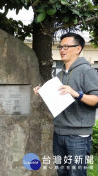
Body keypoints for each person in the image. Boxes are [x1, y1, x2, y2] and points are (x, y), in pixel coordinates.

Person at [33, 33, 98, 176]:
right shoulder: (59, 75)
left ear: (78, 48)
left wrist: (77, 94)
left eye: (66, 46)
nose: (62, 50)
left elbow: (96, 99)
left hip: (78, 136)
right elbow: (57, 101)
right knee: (62, 173)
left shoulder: (86, 71)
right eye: (60, 47)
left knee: (76, 173)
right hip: (59, 133)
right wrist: (42, 92)